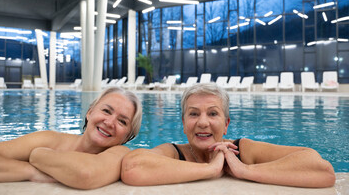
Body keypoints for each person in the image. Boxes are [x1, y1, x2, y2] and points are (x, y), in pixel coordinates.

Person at [121, 83, 335, 188]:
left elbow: (322, 169)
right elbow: (133, 167)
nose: (203, 122)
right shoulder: (175, 152)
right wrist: (210, 168)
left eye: (213, 113)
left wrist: (244, 169)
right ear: (184, 124)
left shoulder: (243, 150)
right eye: (194, 114)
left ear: (226, 125)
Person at [0, 86, 142, 189]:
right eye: (106, 111)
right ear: (89, 113)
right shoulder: (49, 139)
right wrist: (30, 172)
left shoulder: (120, 154)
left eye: (122, 121)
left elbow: (85, 174)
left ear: (127, 136)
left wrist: (37, 155)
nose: (109, 122)